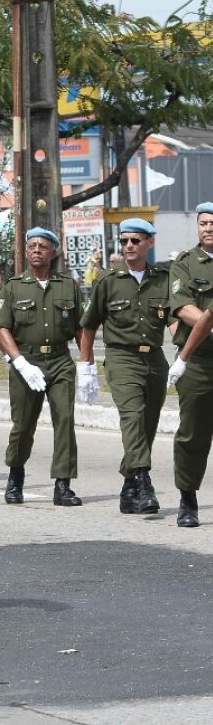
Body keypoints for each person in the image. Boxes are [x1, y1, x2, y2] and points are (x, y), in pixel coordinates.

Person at [77, 219, 170, 515]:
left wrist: (187, 349)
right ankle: (144, 484)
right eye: (124, 241)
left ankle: (128, 486)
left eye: (136, 240)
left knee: (148, 425)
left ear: (149, 243)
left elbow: (174, 320)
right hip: (121, 358)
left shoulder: (163, 279)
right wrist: (86, 367)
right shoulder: (108, 280)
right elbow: (89, 326)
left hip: (155, 359)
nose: (129, 246)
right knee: (133, 417)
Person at [0, 228, 84, 508]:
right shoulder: (13, 286)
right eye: (31, 245)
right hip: (26, 361)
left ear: (54, 252)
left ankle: (63, 484)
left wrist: (87, 363)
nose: (36, 250)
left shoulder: (69, 286)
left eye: (43, 246)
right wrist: (17, 361)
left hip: (60, 360)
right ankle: (15, 477)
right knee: (23, 425)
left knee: (64, 420)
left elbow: (81, 328)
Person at [163, 201, 213, 527]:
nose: (209, 228)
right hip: (198, 362)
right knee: (193, 434)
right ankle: (188, 498)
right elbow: (182, 307)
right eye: (204, 223)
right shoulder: (184, 264)